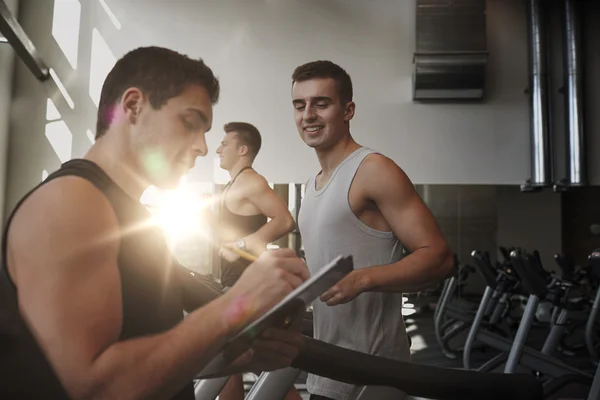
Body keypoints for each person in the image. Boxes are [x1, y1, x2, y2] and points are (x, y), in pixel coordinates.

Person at [0, 46, 309, 400]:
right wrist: (237, 302)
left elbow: (143, 354)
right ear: (133, 107)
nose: (203, 148)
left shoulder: (130, 214)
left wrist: (245, 357)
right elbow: (94, 389)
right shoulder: (72, 202)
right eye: (191, 123)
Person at [291, 60, 455, 400]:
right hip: (328, 369)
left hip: (372, 375)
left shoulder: (373, 170)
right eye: (299, 105)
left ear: (348, 110)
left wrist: (362, 279)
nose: (308, 114)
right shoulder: (313, 184)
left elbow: (439, 258)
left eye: (321, 103)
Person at [211, 122, 300, 400]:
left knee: (229, 362)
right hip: (236, 285)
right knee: (238, 367)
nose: (218, 149)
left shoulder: (251, 180)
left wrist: (243, 243)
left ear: (243, 149)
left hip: (248, 289)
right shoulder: (234, 184)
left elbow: (285, 220)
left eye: (225, 144)